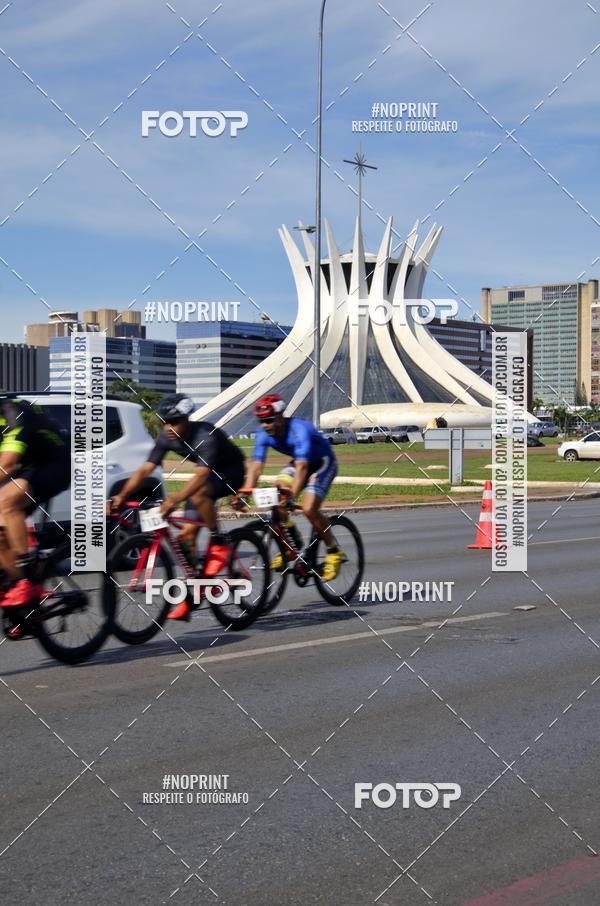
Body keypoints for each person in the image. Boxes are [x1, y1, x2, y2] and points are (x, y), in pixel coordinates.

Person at [108, 393, 245, 621]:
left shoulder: (205, 435)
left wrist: (174, 500)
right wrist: (121, 496)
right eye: (165, 423)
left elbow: (201, 476)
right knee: (186, 538)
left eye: (174, 422)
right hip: (206, 479)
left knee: (200, 490)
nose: (168, 427)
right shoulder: (166, 437)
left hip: (231, 473)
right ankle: (196, 591)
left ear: (187, 419)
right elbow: (145, 469)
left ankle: (218, 541)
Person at [243, 395, 343, 581]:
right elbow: (256, 467)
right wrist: (245, 491)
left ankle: (334, 551)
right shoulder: (263, 434)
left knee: (308, 508)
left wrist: (292, 496)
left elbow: (303, 468)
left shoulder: (299, 429)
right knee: (276, 494)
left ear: (281, 416)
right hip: (299, 462)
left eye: (270, 420)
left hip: (322, 463)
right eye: (262, 421)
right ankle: (291, 544)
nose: (265, 425)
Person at [0, 397, 71, 615]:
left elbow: (8, 464)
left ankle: (24, 581)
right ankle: (19, 586)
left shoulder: (13, 413)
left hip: (55, 465)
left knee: (6, 502)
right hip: (29, 467)